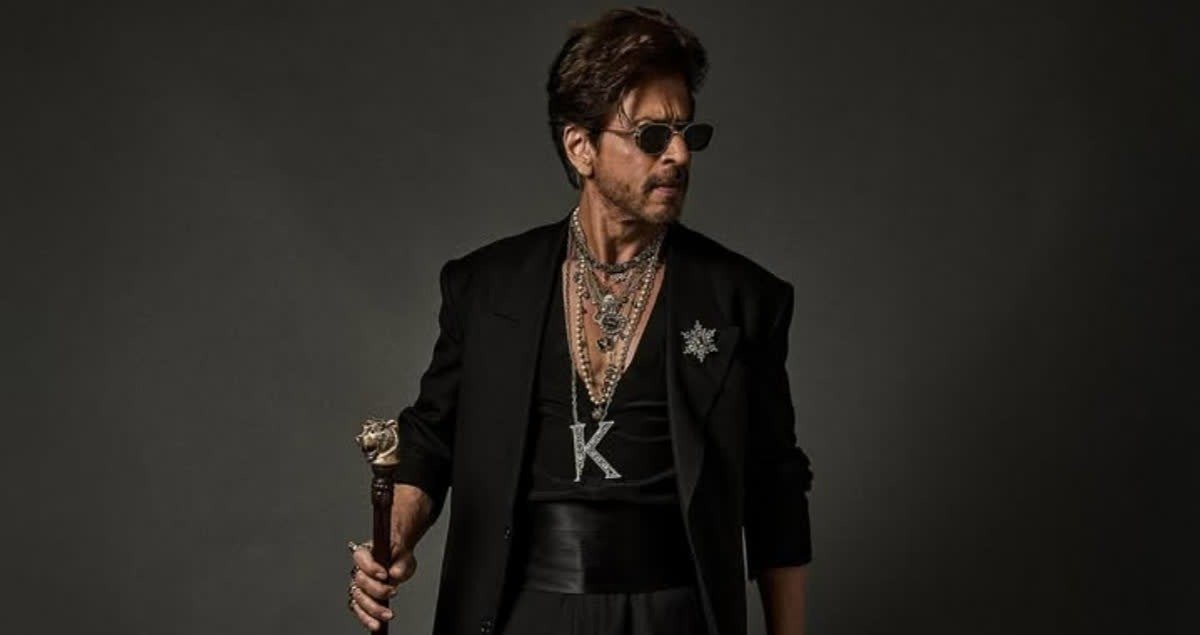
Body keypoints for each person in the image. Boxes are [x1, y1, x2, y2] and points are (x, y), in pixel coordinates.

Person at [346, 7, 813, 635]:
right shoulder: (486, 288)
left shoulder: (743, 300)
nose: (679, 154)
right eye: (652, 135)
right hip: (519, 612)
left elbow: (776, 489)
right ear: (580, 147)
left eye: (687, 132)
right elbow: (432, 437)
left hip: (676, 616)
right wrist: (396, 536)